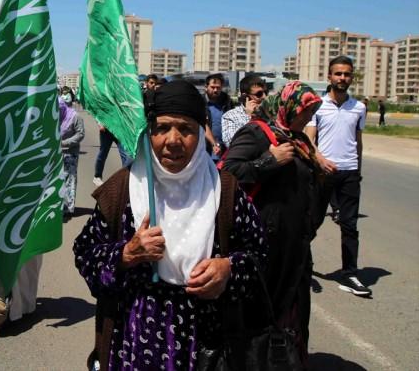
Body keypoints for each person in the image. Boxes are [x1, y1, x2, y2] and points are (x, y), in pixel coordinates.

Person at [74, 80, 266, 370]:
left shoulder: (224, 191)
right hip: (132, 345)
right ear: (149, 133)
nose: (173, 140)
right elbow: (85, 253)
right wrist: (126, 255)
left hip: (207, 348)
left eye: (185, 129)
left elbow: (259, 255)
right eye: (162, 128)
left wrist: (229, 269)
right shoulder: (123, 189)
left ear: (201, 133)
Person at [222, 80, 323, 364]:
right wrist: (268, 161)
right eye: (305, 110)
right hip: (267, 245)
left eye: (312, 111)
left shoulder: (300, 140)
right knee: (264, 314)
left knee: (294, 312)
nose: (308, 117)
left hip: (297, 245)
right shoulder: (256, 132)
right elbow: (228, 173)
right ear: (288, 107)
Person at [305, 55, 371, 297]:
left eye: (347, 74)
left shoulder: (359, 107)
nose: (343, 78)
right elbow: (309, 139)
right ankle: (300, 264)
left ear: (351, 77)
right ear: (329, 76)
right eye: (338, 73)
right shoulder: (317, 106)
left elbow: (358, 142)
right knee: (312, 222)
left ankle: (349, 274)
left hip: (350, 173)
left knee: (350, 225)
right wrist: (318, 160)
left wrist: (358, 170)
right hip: (323, 173)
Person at [221, 75, 268, 147]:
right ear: (245, 97)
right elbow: (230, 143)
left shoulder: (269, 114)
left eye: (265, 92)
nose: (264, 97)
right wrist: (249, 118)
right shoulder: (230, 116)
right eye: (259, 94)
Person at [60, 94, 84, 217]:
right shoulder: (55, 118)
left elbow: (80, 134)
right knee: (59, 180)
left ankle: (68, 208)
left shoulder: (75, 117)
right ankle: (59, 205)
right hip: (58, 153)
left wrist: (65, 142)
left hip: (70, 153)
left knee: (70, 180)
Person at [203, 73, 233, 161]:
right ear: (206, 87)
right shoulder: (200, 102)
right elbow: (202, 125)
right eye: (212, 87)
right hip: (206, 149)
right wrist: (214, 144)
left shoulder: (227, 102)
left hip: (224, 150)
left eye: (218, 87)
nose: (215, 90)